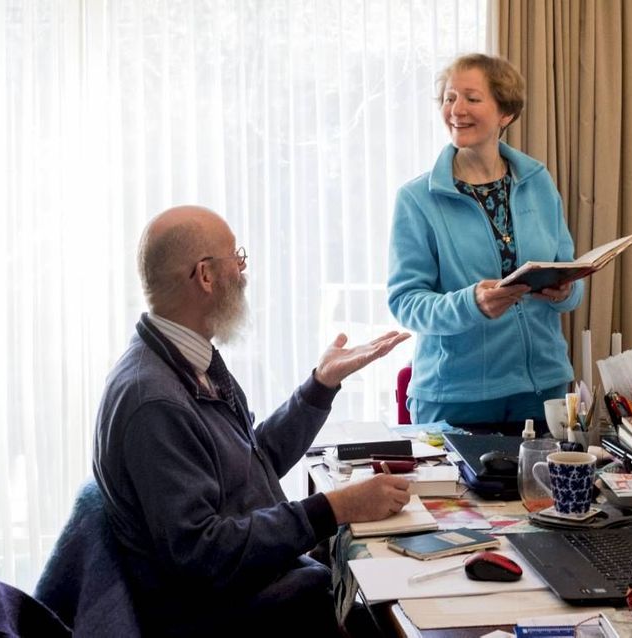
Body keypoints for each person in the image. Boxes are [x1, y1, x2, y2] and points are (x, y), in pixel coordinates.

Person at [93, 205, 411, 636]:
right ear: (206, 276)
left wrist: (320, 385)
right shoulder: (153, 401)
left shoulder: (187, 359)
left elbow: (249, 462)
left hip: (258, 590)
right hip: (225, 617)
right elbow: (202, 554)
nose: (243, 273)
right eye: (236, 259)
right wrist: (333, 508)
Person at [387, 53, 582, 426]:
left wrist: (565, 292)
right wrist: (471, 302)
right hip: (455, 400)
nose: (456, 109)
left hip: (543, 391)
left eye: (472, 98)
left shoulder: (538, 182)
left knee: (544, 487)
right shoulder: (417, 199)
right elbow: (405, 302)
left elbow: (567, 272)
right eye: (449, 97)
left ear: (504, 113)